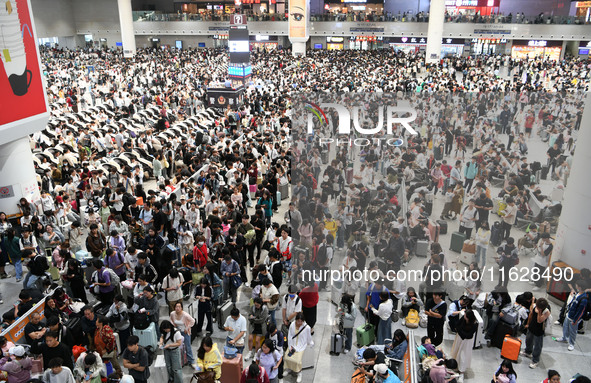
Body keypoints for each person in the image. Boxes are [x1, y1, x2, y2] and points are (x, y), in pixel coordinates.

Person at [555, 279, 588, 351]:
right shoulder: (578, 293)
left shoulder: (584, 299)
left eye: (577, 285)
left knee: (573, 332)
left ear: (580, 287)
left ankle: (571, 344)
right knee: (565, 327)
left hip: (574, 318)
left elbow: (580, 311)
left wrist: (576, 320)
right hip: (569, 314)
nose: (575, 286)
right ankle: (564, 338)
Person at [521, 297, 551, 369]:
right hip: (532, 326)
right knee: (528, 340)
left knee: (537, 345)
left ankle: (535, 360)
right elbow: (531, 314)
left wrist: (540, 311)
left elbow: (539, 320)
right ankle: (528, 351)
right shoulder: (535, 306)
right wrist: (528, 323)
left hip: (539, 330)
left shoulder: (546, 312)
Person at [283, 313, 313, 383]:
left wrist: (310, 343)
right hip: (292, 344)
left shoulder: (307, 328)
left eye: (301, 321)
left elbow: (309, 337)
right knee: (287, 357)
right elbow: (290, 335)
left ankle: (299, 373)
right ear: (296, 320)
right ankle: (289, 368)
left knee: (297, 361)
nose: (299, 323)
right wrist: (290, 345)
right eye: (298, 321)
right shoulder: (292, 324)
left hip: (301, 346)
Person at [450, 310, 477, 378]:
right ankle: (455, 365)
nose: (464, 316)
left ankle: (462, 370)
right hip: (460, 338)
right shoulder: (463, 319)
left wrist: (460, 332)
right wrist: (461, 333)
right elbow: (457, 326)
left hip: (467, 342)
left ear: (469, 317)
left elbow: (468, 335)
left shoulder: (474, 324)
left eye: (465, 316)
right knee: (456, 351)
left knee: (463, 355)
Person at [169, 301, 197, 369]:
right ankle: (181, 361)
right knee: (178, 346)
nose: (177, 308)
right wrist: (174, 325)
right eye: (176, 307)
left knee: (188, 346)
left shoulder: (185, 315)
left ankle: (191, 361)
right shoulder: (172, 313)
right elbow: (171, 320)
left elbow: (193, 321)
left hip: (185, 332)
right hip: (177, 332)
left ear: (181, 308)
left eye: (179, 307)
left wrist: (187, 328)